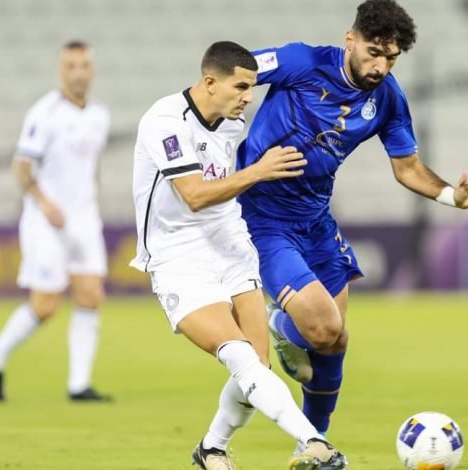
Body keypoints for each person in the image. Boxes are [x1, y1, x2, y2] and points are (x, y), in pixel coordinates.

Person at [236, 0, 468, 442]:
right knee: (322, 327)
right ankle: (279, 326)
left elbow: (407, 167)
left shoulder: (387, 98)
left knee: (335, 340)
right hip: (263, 219)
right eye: (373, 53)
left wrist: (451, 197)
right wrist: (213, 129)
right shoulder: (301, 62)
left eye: (391, 58)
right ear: (351, 39)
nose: (380, 66)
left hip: (316, 220)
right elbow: (236, 69)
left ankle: (316, 444)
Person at [130, 41, 348, 470]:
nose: (249, 96)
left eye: (251, 87)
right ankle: (314, 442)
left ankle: (211, 449)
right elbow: (194, 195)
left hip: (231, 247)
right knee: (241, 357)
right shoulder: (165, 122)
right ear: (210, 82)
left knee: (258, 366)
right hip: (178, 258)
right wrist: (258, 171)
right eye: (241, 87)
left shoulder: (231, 123)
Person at [0, 40, 112, 402]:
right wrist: (44, 203)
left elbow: (91, 166)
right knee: (45, 305)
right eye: (71, 66)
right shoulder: (44, 113)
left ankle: (79, 385)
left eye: (84, 65)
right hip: (47, 222)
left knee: (90, 295)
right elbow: (21, 167)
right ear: (60, 70)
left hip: (85, 220)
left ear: (92, 69)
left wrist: (92, 197)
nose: (78, 73)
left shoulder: (100, 115)